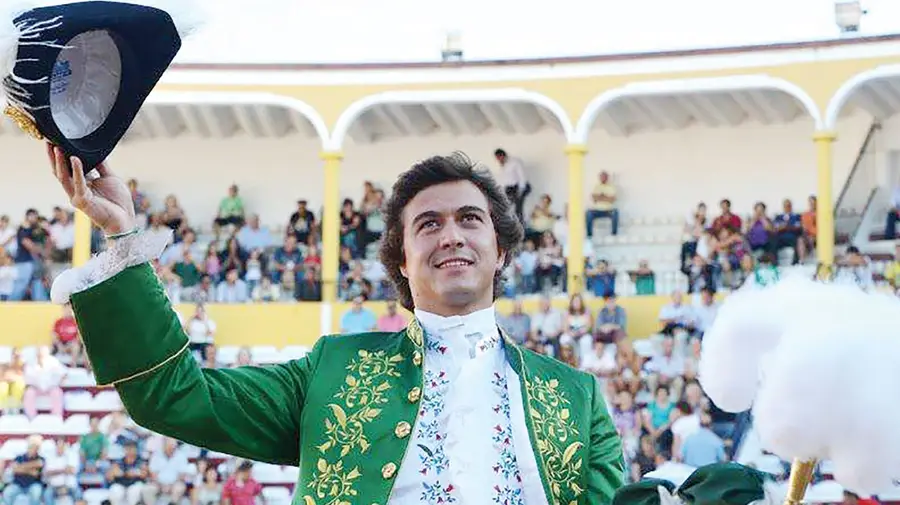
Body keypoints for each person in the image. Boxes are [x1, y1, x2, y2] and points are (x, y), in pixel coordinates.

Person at [48, 147, 624, 505]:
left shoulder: (575, 397)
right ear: (402, 261)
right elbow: (172, 397)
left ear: (500, 251)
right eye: (428, 224)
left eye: (470, 220)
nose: (451, 235)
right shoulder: (335, 370)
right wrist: (125, 239)